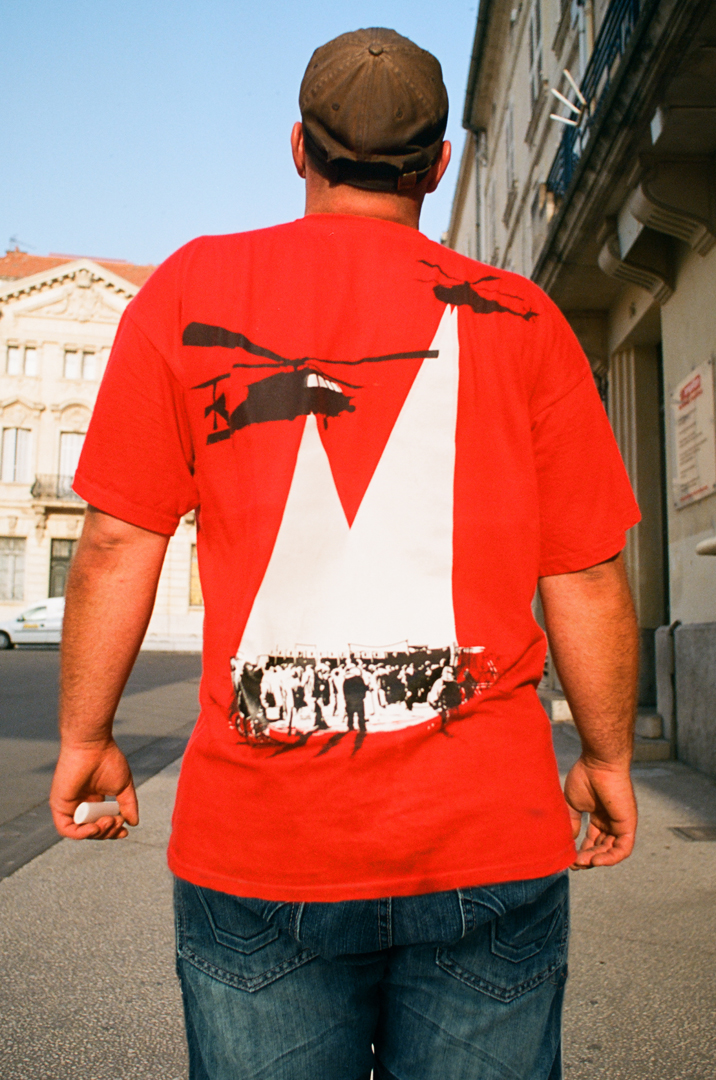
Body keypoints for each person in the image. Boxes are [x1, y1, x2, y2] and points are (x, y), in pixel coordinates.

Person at [50, 26, 640, 1080]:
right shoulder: (522, 317)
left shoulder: (187, 289)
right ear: (438, 166)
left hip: (259, 847)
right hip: (486, 838)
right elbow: (585, 574)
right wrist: (606, 757)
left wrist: (86, 733)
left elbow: (113, 542)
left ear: (297, 146)